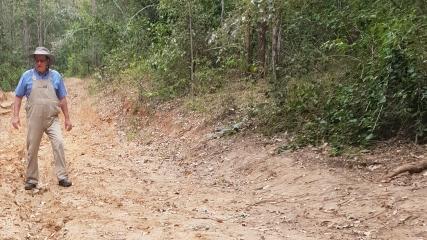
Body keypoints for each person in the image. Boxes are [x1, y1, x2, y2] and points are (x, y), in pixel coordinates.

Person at [11, 47, 73, 190]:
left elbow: (62, 99)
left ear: (48, 61)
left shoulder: (56, 76)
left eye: (41, 60)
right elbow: (18, 97)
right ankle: (32, 179)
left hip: (52, 119)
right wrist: (15, 116)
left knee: (59, 143)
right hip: (34, 120)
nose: (38, 63)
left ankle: (62, 177)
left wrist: (67, 119)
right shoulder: (27, 76)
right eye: (36, 60)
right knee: (32, 148)